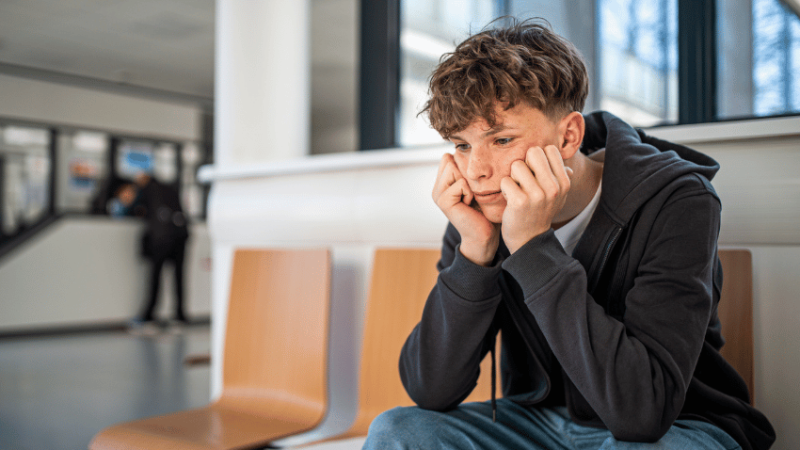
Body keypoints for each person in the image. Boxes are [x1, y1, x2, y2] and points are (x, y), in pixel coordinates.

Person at [363, 18, 775, 450]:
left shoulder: (679, 200)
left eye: (501, 140)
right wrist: (475, 252)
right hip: (537, 421)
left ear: (568, 137)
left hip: (676, 428)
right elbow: (431, 390)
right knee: (397, 432)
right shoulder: (483, 210)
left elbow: (643, 412)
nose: (476, 170)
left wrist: (532, 248)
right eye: (463, 145)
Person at [128, 172, 190, 331]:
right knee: (179, 276)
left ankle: (148, 315)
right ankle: (180, 316)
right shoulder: (170, 187)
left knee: (155, 277)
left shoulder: (146, 189)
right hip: (181, 235)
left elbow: (135, 208)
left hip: (161, 237)